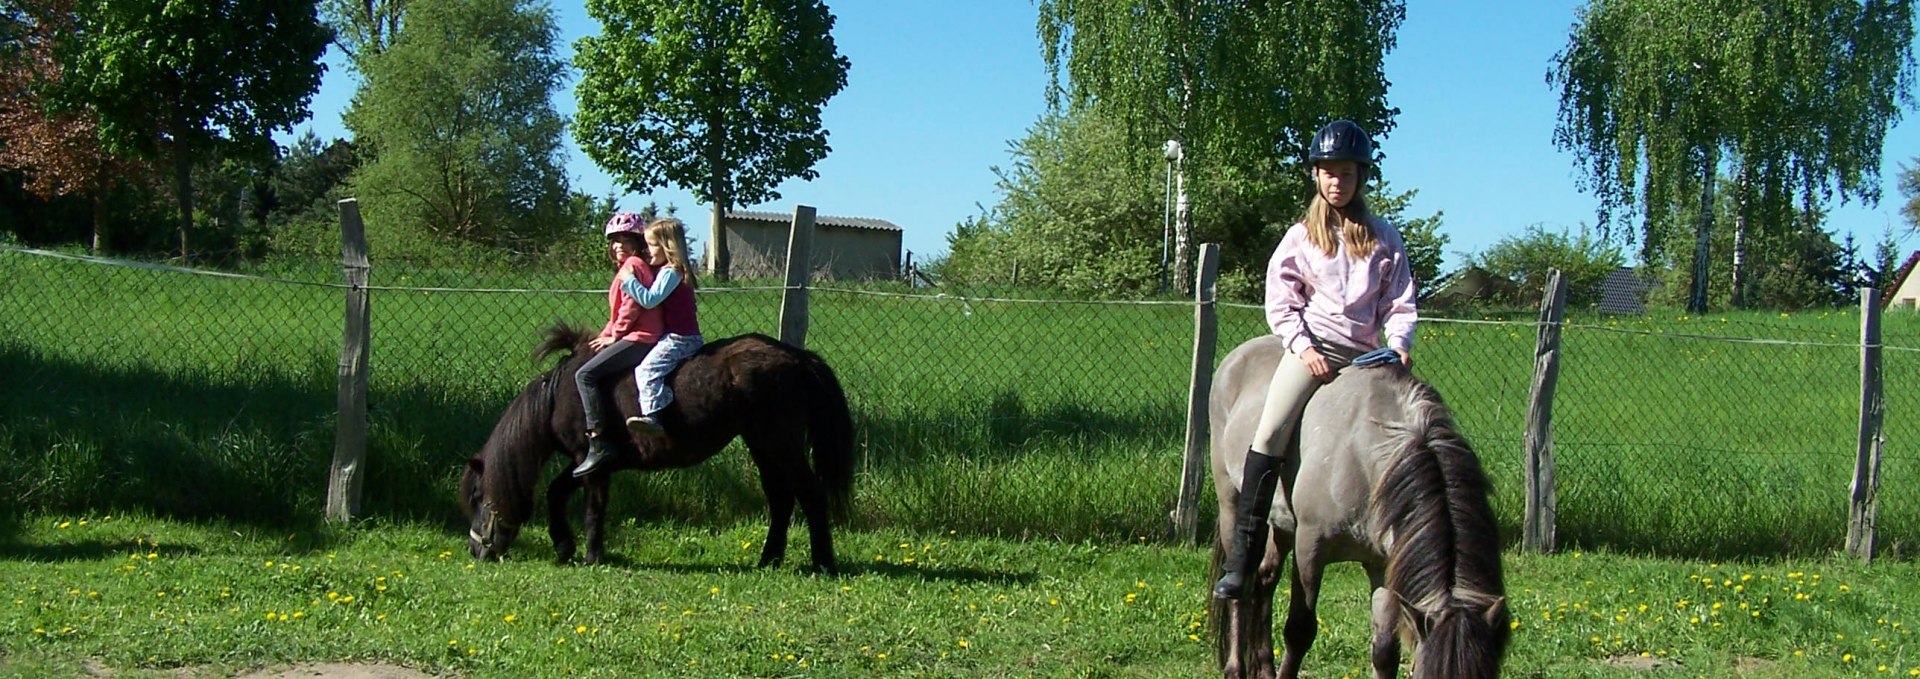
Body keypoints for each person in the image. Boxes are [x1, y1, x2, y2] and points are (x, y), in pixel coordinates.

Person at [1212, 120, 1418, 600]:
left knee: (1412, 436)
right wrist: (1303, 347)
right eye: (1328, 172)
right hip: (1315, 350)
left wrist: (1401, 343)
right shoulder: (1301, 236)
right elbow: (1281, 300)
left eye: (1345, 173)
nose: (1336, 182)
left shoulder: (1384, 237)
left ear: (1359, 177)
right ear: (1316, 176)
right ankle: (1241, 561)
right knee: (1268, 432)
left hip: (1370, 358)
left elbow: (1401, 301)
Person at [572, 217, 704, 476]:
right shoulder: (660, 269)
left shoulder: (659, 270)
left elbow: (644, 301)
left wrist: (628, 283)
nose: (648, 250)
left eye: (651, 245)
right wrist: (608, 333)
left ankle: (654, 415)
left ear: (666, 246)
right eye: (614, 242)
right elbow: (619, 311)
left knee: (645, 371)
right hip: (669, 334)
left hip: (678, 337)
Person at [571, 212, 664, 476]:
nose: (618, 246)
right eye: (614, 242)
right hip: (633, 334)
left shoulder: (632, 266)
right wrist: (603, 335)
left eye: (625, 241)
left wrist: (616, 336)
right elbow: (617, 312)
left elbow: (631, 308)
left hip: (640, 338)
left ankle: (598, 440)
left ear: (636, 243)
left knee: (585, 374)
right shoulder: (631, 266)